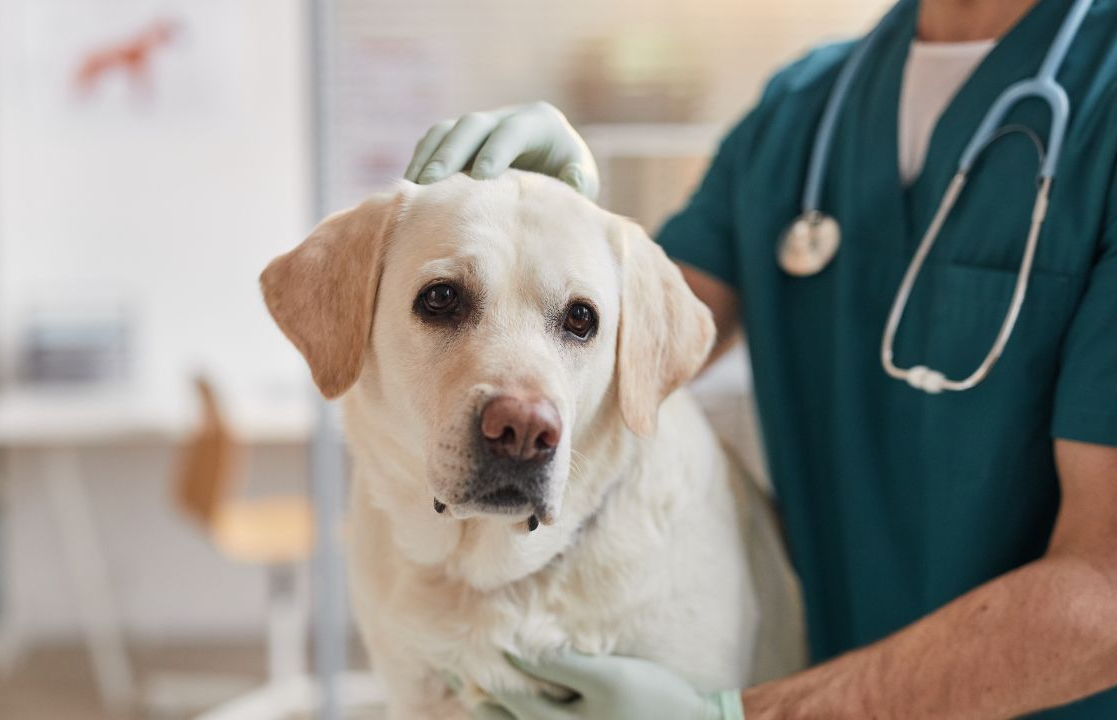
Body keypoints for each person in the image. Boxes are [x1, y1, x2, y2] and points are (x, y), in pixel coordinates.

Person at [403, 0, 1117, 717]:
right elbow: (632, 339)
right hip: (819, 662)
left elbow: (1108, 585)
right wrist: (554, 222)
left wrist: (744, 716)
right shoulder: (802, 113)